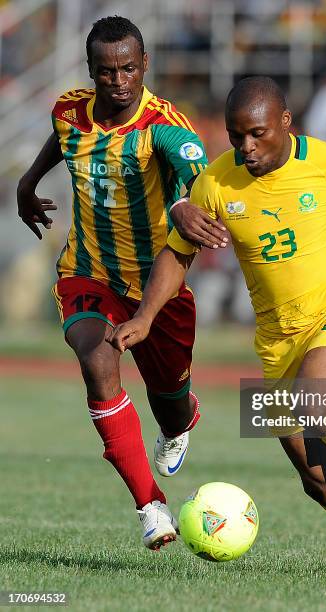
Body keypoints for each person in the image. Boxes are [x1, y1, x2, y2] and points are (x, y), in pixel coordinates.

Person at [108, 76, 326, 576]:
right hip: (277, 343)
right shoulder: (215, 183)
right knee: (320, 485)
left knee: (315, 401)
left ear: (285, 123)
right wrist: (145, 315)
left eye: (257, 133)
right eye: (235, 135)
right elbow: (179, 253)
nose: (246, 146)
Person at [16, 16, 225, 551]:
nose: (119, 80)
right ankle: (151, 506)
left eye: (129, 68)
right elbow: (62, 139)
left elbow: (188, 171)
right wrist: (28, 181)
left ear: (144, 65)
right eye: (107, 71)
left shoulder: (165, 125)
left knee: (170, 402)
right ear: (92, 71)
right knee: (96, 358)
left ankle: (181, 421)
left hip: (157, 285)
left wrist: (181, 203)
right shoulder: (69, 109)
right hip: (87, 271)